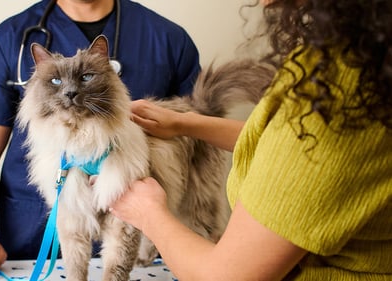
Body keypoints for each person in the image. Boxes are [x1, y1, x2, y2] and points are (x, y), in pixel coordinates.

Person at [110, 0, 392, 279]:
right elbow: (287, 146)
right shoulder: (359, 58)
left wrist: (148, 212)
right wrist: (185, 123)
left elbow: (227, 276)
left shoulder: (342, 88)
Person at [0, 0, 201, 276]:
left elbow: (194, 140)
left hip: (147, 248)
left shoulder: (167, 37)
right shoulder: (10, 38)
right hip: (29, 244)